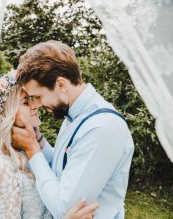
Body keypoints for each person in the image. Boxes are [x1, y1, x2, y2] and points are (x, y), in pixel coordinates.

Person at [11, 40, 134, 219]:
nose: (35, 105)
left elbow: (63, 209)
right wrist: (39, 141)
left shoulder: (101, 129)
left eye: (37, 97)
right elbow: (66, 167)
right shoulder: (76, 113)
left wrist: (32, 150)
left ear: (60, 85)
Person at [0, 72, 99, 219]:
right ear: (8, 114)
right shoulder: (2, 166)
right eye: (25, 102)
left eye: (32, 99)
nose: (35, 105)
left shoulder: (32, 149)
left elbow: (61, 170)